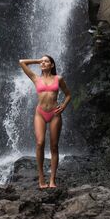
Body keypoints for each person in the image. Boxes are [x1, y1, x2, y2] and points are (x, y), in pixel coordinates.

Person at [19, 55, 71, 188]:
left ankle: (52, 180)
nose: (43, 63)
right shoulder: (36, 78)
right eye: (41, 61)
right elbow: (22, 62)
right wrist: (38, 61)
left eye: (46, 61)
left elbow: (68, 94)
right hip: (40, 114)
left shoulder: (58, 79)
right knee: (40, 142)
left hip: (54, 114)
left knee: (54, 146)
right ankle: (41, 178)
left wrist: (63, 106)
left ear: (52, 65)